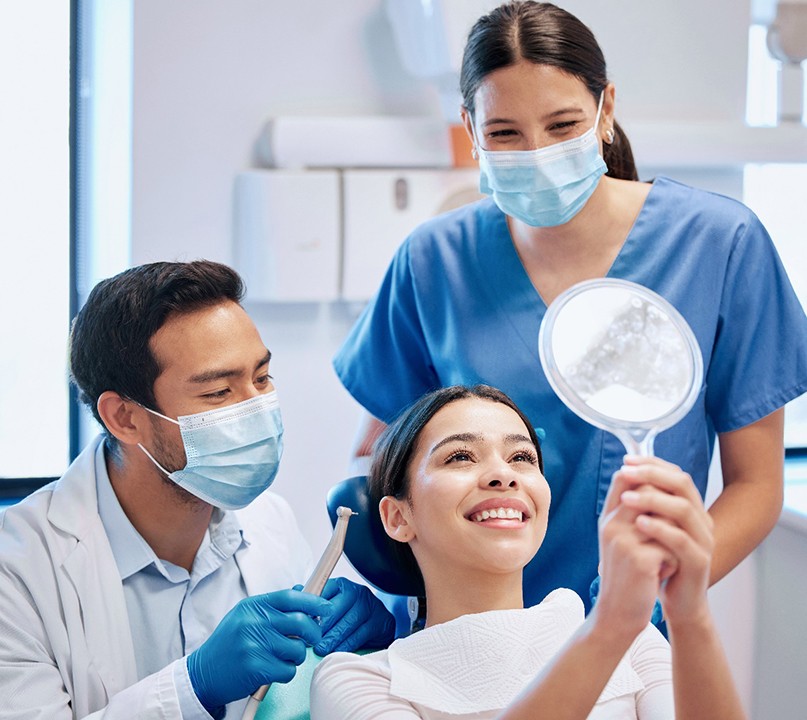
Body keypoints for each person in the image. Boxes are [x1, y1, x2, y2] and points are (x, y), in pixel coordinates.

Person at [332, 0, 807, 614]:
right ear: (472, 128)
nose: (537, 153)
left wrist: (653, 600)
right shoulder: (433, 260)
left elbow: (757, 486)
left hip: (633, 634)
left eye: (562, 126)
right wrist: (378, 573)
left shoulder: (718, 245)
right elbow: (378, 461)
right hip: (457, 628)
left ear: (606, 109)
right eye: (505, 133)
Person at [0, 260, 395, 719]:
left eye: (262, 378)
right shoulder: (19, 571)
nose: (258, 410)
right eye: (218, 394)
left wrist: (369, 641)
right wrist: (194, 685)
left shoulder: (270, 520)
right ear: (125, 418)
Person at [310, 384, 747, 719]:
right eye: (461, 456)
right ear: (397, 518)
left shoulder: (634, 644)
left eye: (522, 457)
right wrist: (609, 625)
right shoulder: (362, 680)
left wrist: (690, 615)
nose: (503, 474)